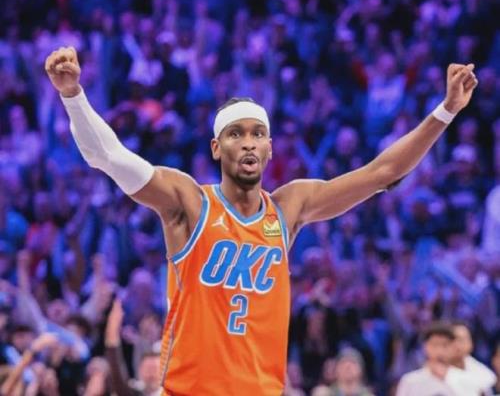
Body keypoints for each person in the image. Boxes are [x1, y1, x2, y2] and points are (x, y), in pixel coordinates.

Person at [45, 46, 478, 395]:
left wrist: (445, 111)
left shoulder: (289, 207)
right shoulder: (189, 202)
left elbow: (382, 173)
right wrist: (73, 96)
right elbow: (108, 156)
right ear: (217, 148)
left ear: (270, 148)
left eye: (257, 134)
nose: (248, 143)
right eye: (236, 134)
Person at [396, 322, 457, 396]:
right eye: (435, 345)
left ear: (453, 347)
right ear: (425, 347)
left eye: (445, 345)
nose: (440, 351)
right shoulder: (410, 381)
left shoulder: (462, 379)